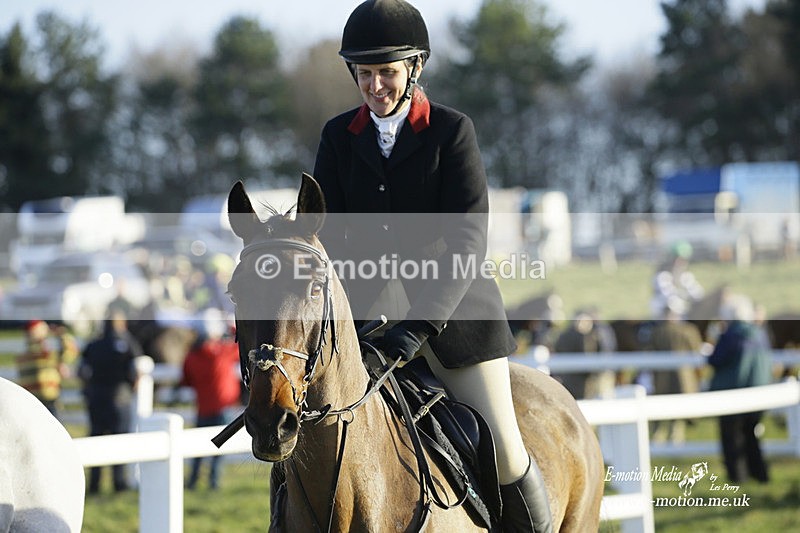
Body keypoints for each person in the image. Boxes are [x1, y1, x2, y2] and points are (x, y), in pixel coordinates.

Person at [312, 2, 552, 530]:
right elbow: (325, 236)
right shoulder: (337, 137)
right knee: (307, 440)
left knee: (506, 455)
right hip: (365, 329)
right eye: (365, 73)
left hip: (454, 325)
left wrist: (418, 322)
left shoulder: (451, 131)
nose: (375, 85)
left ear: (414, 68)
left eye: (387, 72)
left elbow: (468, 240)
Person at [707, 297, 771, 484]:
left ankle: (738, 478)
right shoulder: (759, 334)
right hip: (758, 393)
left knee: (732, 439)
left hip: (732, 394)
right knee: (752, 437)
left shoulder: (732, 335)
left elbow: (714, 360)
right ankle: (760, 475)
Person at [78, 310, 143, 493]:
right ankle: (119, 484)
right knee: (119, 441)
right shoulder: (128, 343)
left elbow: (82, 371)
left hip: (96, 398)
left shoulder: (93, 344)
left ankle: (94, 485)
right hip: (120, 398)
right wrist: (132, 388)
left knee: (95, 440)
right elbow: (136, 370)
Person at [180, 317, 241, 490]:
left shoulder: (191, 356)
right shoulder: (222, 352)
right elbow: (241, 345)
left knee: (198, 448)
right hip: (223, 406)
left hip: (202, 407)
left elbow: (186, 380)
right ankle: (213, 483)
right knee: (218, 448)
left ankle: (192, 481)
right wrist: (232, 328)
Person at [647, 305, 703, 444]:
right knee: (678, 410)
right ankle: (676, 440)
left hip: (661, 377)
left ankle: (657, 439)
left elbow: (649, 351)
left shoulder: (656, 331)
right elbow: (696, 349)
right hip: (684, 377)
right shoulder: (688, 330)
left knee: (659, 408)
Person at [15, 319, 79, 418]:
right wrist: (61, 334)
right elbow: (71, 350)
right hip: (45, 399)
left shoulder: (26, 356)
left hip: (32, 400)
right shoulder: (45, 355)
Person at [650, 241, 704, 319]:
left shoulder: (686, 276)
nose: (679, 262)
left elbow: (698, 294)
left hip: (684, 314)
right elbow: (669, 297)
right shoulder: (662, 276)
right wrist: (685, 295)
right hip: (663, 315)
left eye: (682, 259)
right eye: (676, 259)